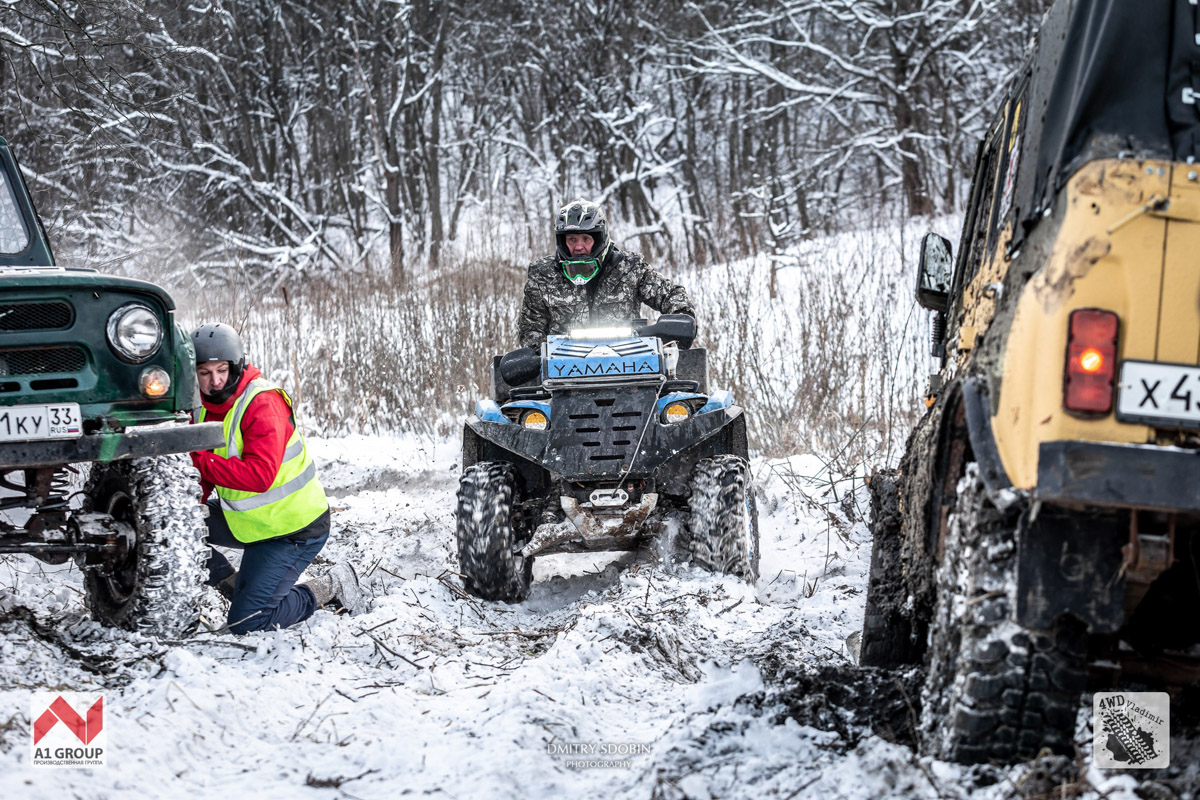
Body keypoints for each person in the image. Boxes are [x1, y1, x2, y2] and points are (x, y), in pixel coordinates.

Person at [190, 322, 363, 634]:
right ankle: (240, 589)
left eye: (221, 370)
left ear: (236, 366)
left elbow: (259, 477)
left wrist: (199, 461)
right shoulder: (203, 409)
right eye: (204, 373)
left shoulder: (262, 403)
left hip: (293, 530)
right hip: (254, 523)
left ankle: (332, 586)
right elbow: (201, 473)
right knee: (177, 528)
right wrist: (191, 504)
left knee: (248, 623)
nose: (215, 381)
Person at [517, 198, 696, 350]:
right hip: (563, 370)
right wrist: (538, 353)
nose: (579, 246)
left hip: (630, 364)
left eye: (586, 239)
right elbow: (530, 327)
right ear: (562, 241)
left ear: (599, 238)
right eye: (572, 239)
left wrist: (681, 320)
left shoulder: (629, 268)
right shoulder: (543, 275)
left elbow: (671, 295)